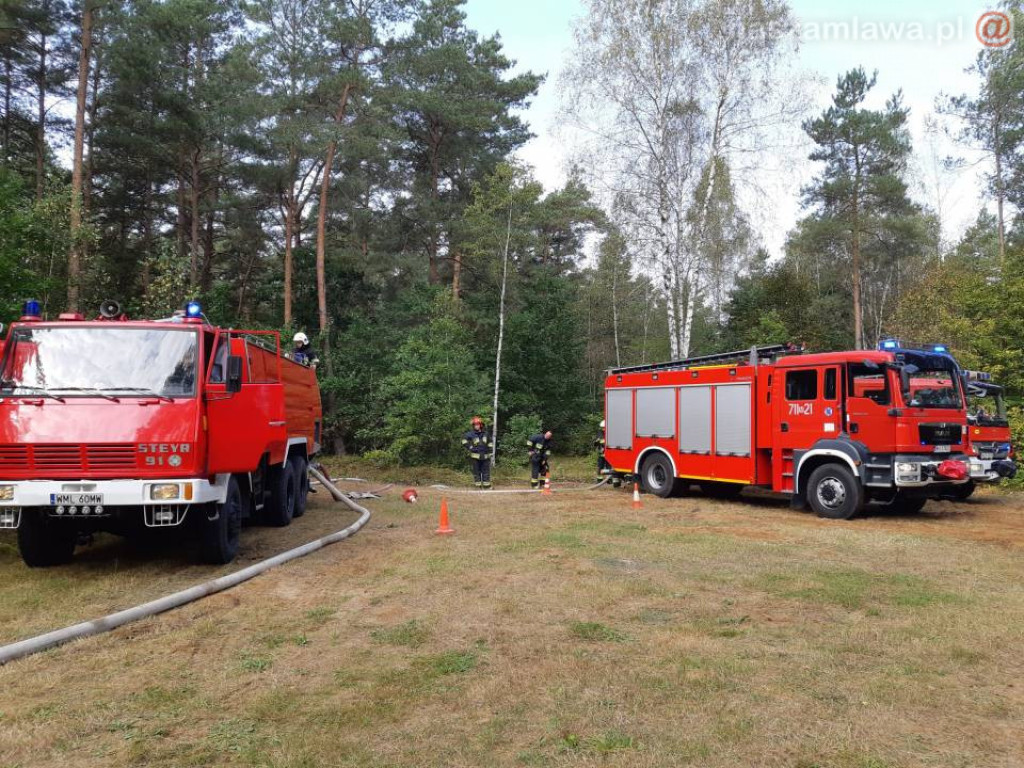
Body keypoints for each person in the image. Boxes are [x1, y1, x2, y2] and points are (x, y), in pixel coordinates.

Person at [462, 416, 493, 489]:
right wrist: (470, 447)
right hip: (475, 456)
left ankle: (486, 486)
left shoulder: (486, 433)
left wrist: (490, 451)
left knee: (486, 472)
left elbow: (490, 442)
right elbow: (463, 441)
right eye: (475, 424)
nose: (476, 426)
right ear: (473, 425)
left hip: (485, 456)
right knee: (476, 472)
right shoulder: (470, 434)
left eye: (478, 424)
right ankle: (478, 486)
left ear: (481, 425)